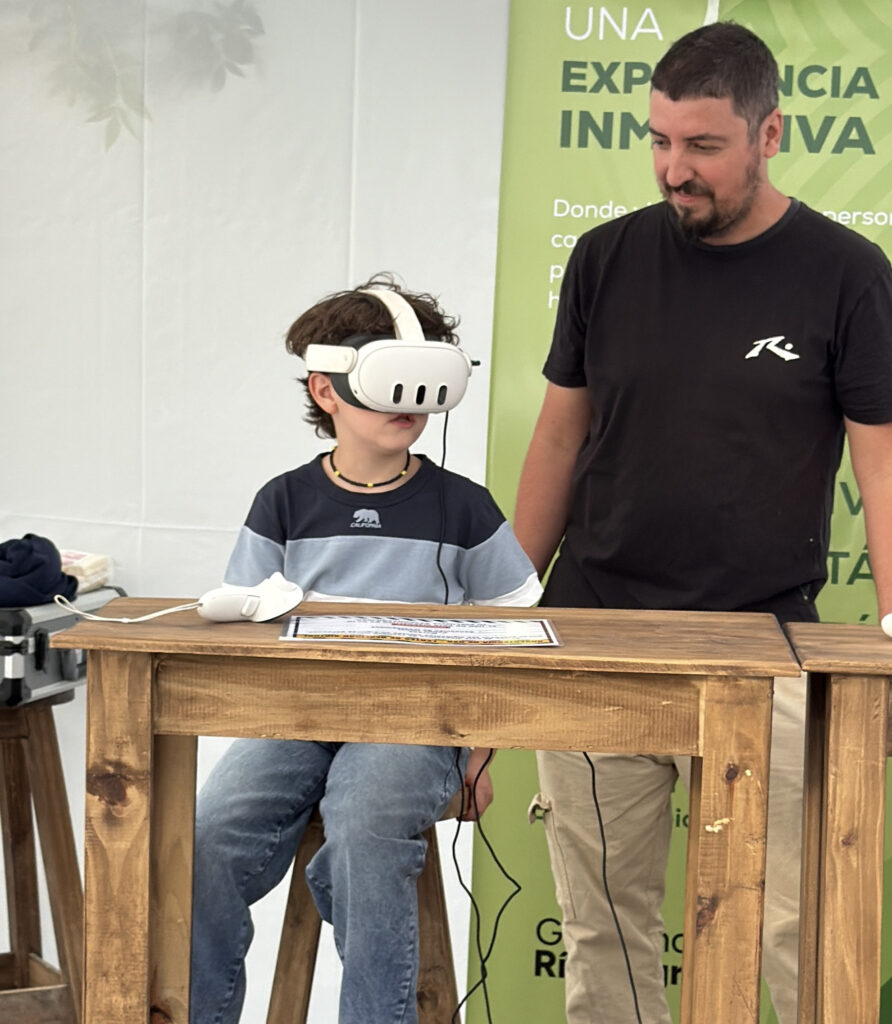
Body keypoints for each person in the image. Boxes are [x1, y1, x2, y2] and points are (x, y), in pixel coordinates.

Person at [514, 21, 892, 1024]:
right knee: (603, 932)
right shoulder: (602, 258)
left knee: (796, 925)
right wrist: (505, 623)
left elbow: (882, 461)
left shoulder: (847, 273)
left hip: (765, 644)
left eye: (703, 146)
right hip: (598, 635)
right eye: (660, 141)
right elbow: (558, 440)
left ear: (770, 134)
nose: (674, 169)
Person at [189, 276, 542, 1024]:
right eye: (389, 381)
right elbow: (246, 625)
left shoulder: (463, 507)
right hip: (295, 718)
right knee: (210, 833)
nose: (408, 403)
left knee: (365, 825)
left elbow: (516, 630)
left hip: (413, 724)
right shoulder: (283, 501)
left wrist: (481, 753)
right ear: (327, 389)